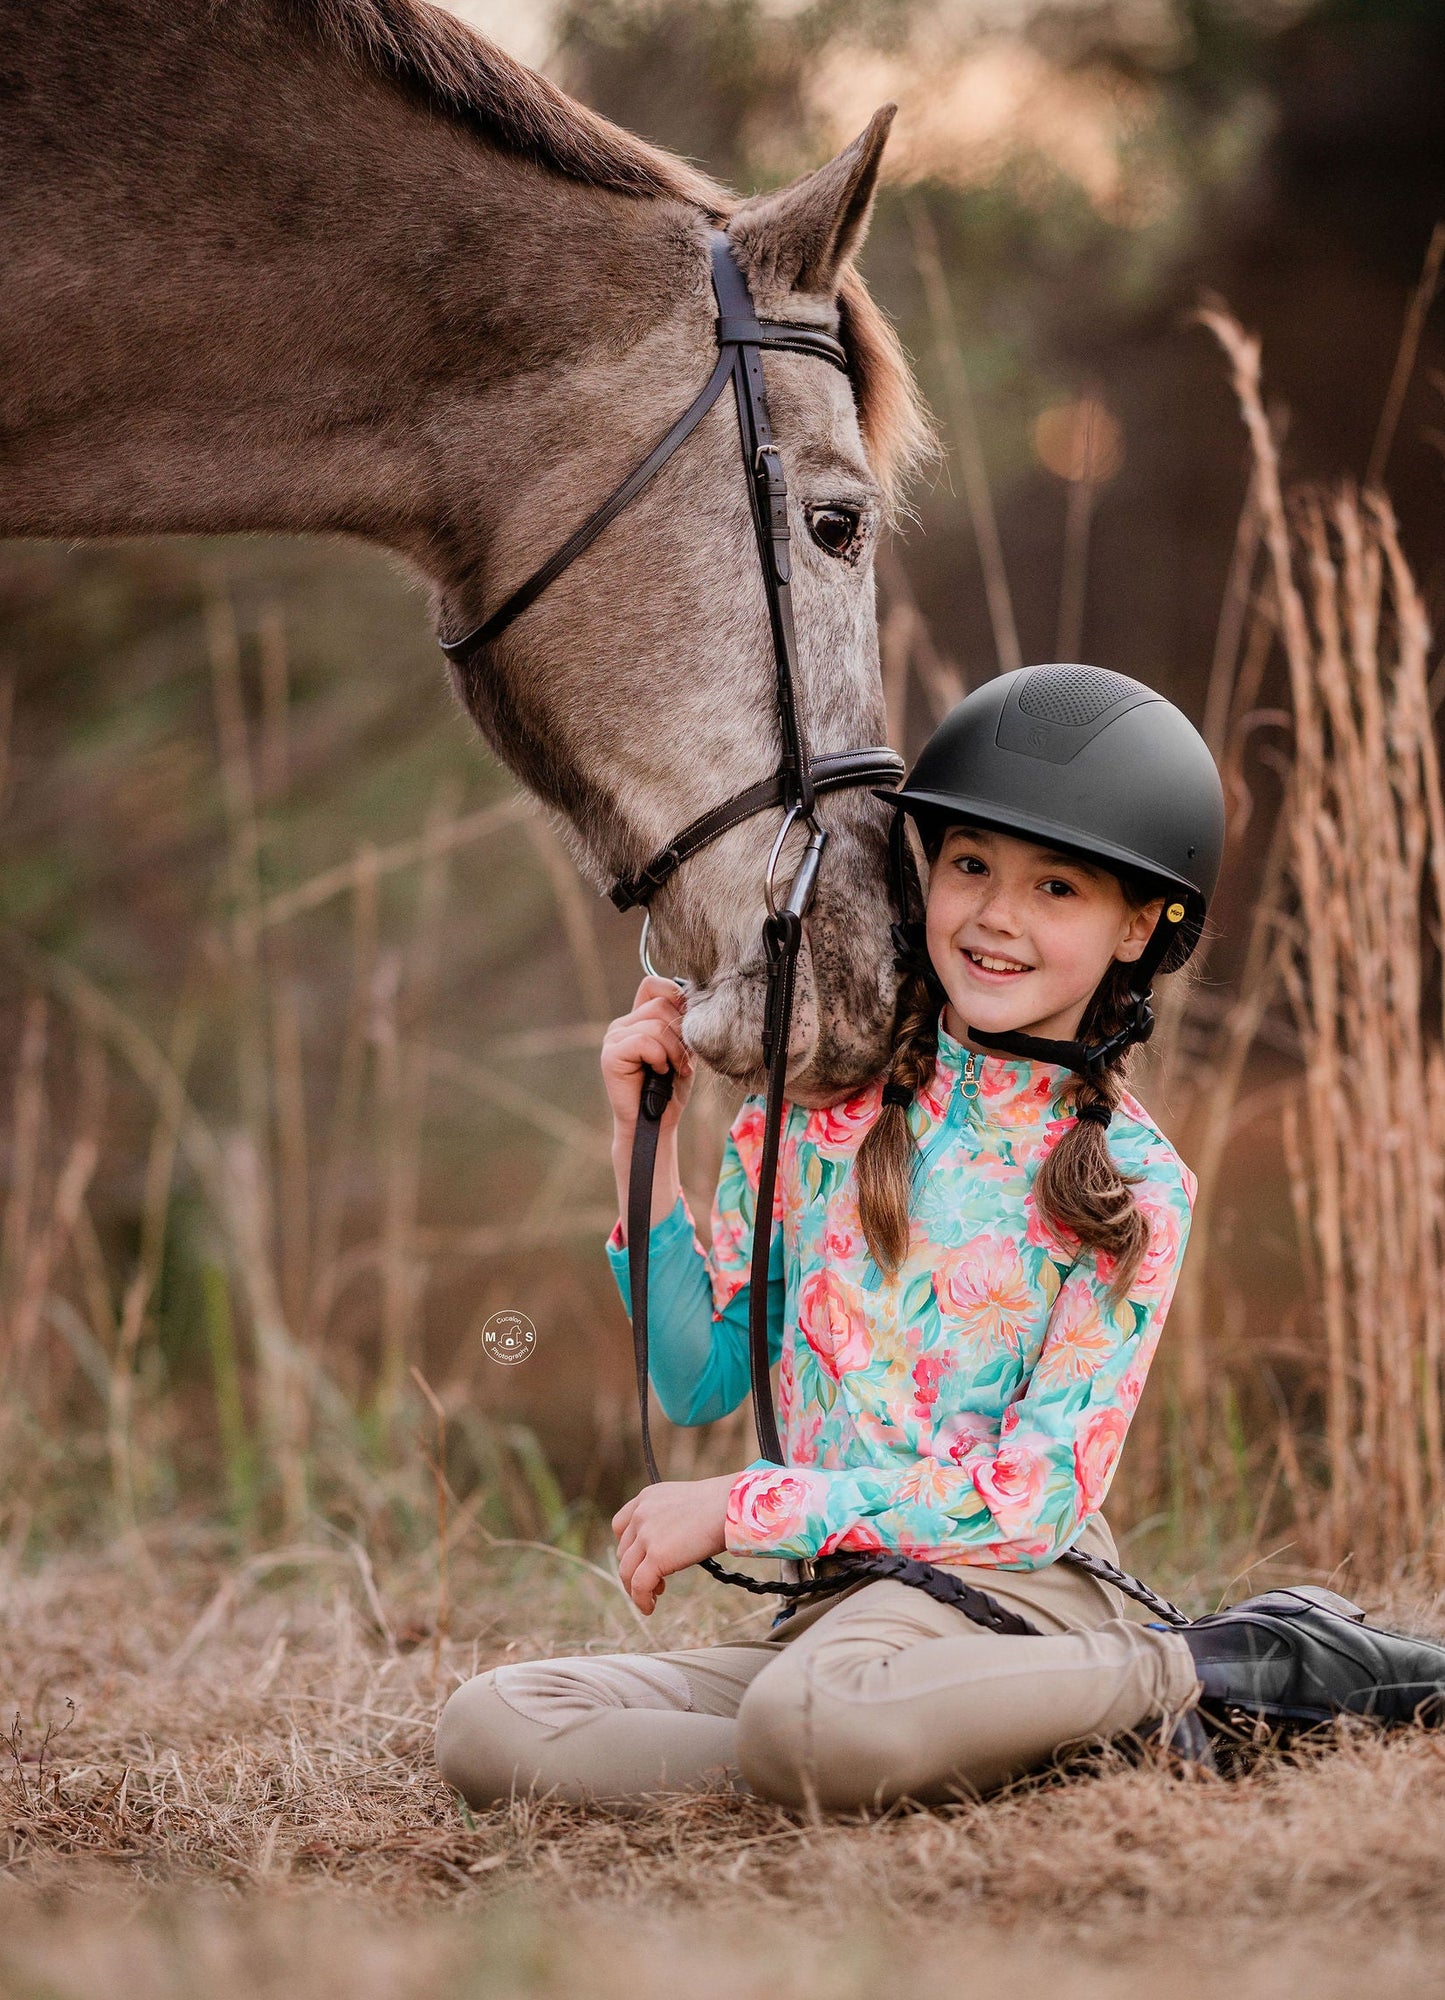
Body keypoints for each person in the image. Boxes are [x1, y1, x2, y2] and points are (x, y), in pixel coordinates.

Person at [435, 665, 1444, 1814]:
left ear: (1134, 925)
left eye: (1055, 886)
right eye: (969, 865)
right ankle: (910, 1745)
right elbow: (699, 1372)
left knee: (815, 1718)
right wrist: (640, 1140)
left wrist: (745, 1506)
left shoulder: (1133, 1183)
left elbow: (1030, 1500)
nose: (995, 915)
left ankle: (1224, 1664)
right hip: (839, 1620)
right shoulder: (814, 1111)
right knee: (495, 1725)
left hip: (1021, 1597)